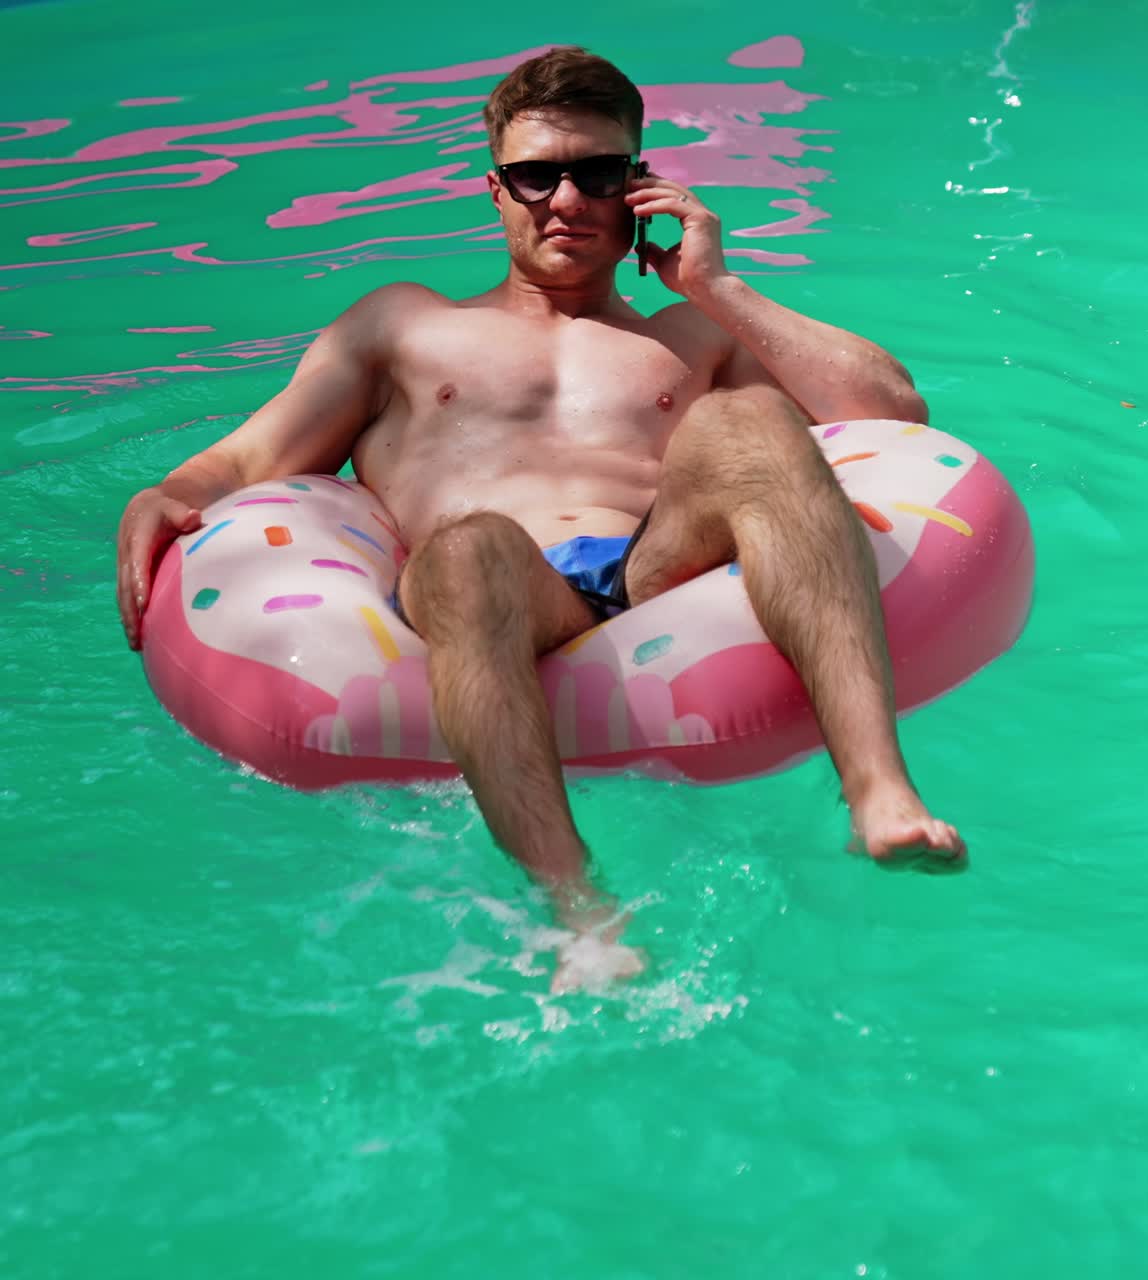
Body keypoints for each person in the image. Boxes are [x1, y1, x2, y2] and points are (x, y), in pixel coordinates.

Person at [116, 47, 966, 988]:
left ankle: (879, 792)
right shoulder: (403, 327)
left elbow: (891, 411)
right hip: (499, 589)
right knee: (469, 550)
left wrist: (717, 287)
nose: (566, 201)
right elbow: (249, 457)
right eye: (535, 176)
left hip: (655, 571)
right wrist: (167, 493)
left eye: (599, 174)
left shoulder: (692, 335)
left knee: (753, 421)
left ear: (639, 184)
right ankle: (581, 912)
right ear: (496, 188)